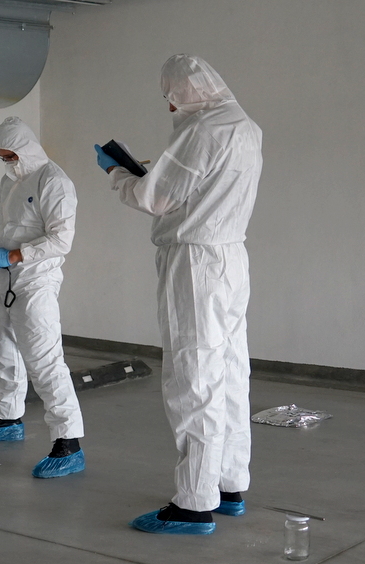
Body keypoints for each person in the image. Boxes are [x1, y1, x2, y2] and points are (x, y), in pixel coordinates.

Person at [95, 55, 262, 534]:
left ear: (185, 92)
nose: (170, 105)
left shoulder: (203, 129)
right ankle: (229, 484)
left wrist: (117, 172)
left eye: (171, 96)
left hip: (194, 262)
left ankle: (194, 503)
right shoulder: (245, 126)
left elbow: (157, 199)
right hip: (231, 257)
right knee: (230, 372)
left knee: (193, 376)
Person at [0, 116, 86, 479]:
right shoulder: (10, 181)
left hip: (36, 283)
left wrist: (14, 255)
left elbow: (61, 239)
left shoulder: (54, 182)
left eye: (10, 156)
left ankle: (69, 442)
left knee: (46, 361)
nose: (6, 162)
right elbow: (5, 225)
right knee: (3, 350)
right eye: (1, 157)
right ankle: (7, 417)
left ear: (26, 149)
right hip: (6, 278)